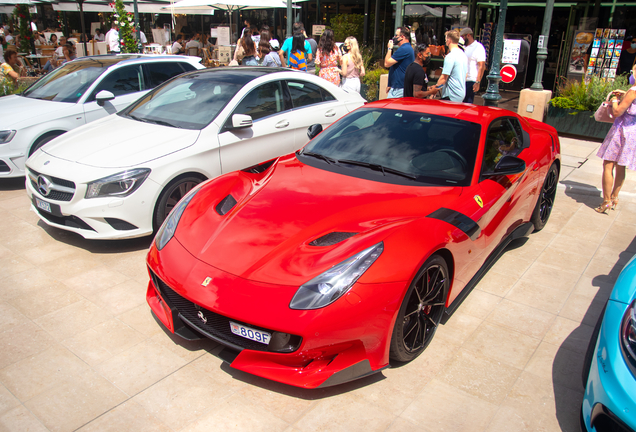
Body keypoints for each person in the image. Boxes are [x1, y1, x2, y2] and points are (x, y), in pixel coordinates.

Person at [594, 64, 636, 213]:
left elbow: (617, 111)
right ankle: (615, 197)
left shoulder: (633, 91)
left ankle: (606, 202)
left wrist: (614, 100)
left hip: (621, 131)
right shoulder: (631, 92)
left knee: (608, 164)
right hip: (633, 132)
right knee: (621, 165)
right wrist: (625, 94)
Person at [435, 29, 468, 102]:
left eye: (446, 39)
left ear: (449, 40)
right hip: (461, 93)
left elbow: (444, 78)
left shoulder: (450, 56)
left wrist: (435, 90)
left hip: (451, 95)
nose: (446, 41)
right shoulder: (463, 55)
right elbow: (465, 75)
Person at [384, 26, 415, 98]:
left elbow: (387, 63)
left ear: (402, 37)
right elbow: (395, 67)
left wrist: (389, 48)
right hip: (396, 87)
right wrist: (390, 84)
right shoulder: (405, 48)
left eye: (396, 35)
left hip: (400, 89)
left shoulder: (405, 49)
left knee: (391, 109)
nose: (394, 37)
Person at [459, 28, 486, 104]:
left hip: (470, 80)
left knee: (467, 103)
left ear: (468, 35)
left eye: (462, 37)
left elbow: (481, 66)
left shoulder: (478, 47)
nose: (461, 39)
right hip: (460, 79)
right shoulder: (462, 47)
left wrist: (478, 81)